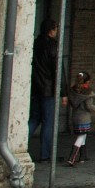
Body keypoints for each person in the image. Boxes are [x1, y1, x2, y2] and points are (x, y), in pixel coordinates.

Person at [28, 20, 62, 162]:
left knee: (34, 119)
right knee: (48, 122)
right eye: (55, 29)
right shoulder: (53, 46)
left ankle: (15, 146)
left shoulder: (34, 43)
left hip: (35, 88)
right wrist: (63, 92)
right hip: (48, 90)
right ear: (51, 30)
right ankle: (45, 154)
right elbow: (58, 70)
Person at [65, 71, 95, 167]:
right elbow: (89, 106)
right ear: (87, 81)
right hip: (84, 118)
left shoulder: (73, 91)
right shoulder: (88, 92)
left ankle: (83, 156)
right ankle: (72, 158)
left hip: (75, 116)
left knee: (82, 135)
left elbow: (71, 103)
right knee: (81, 136)